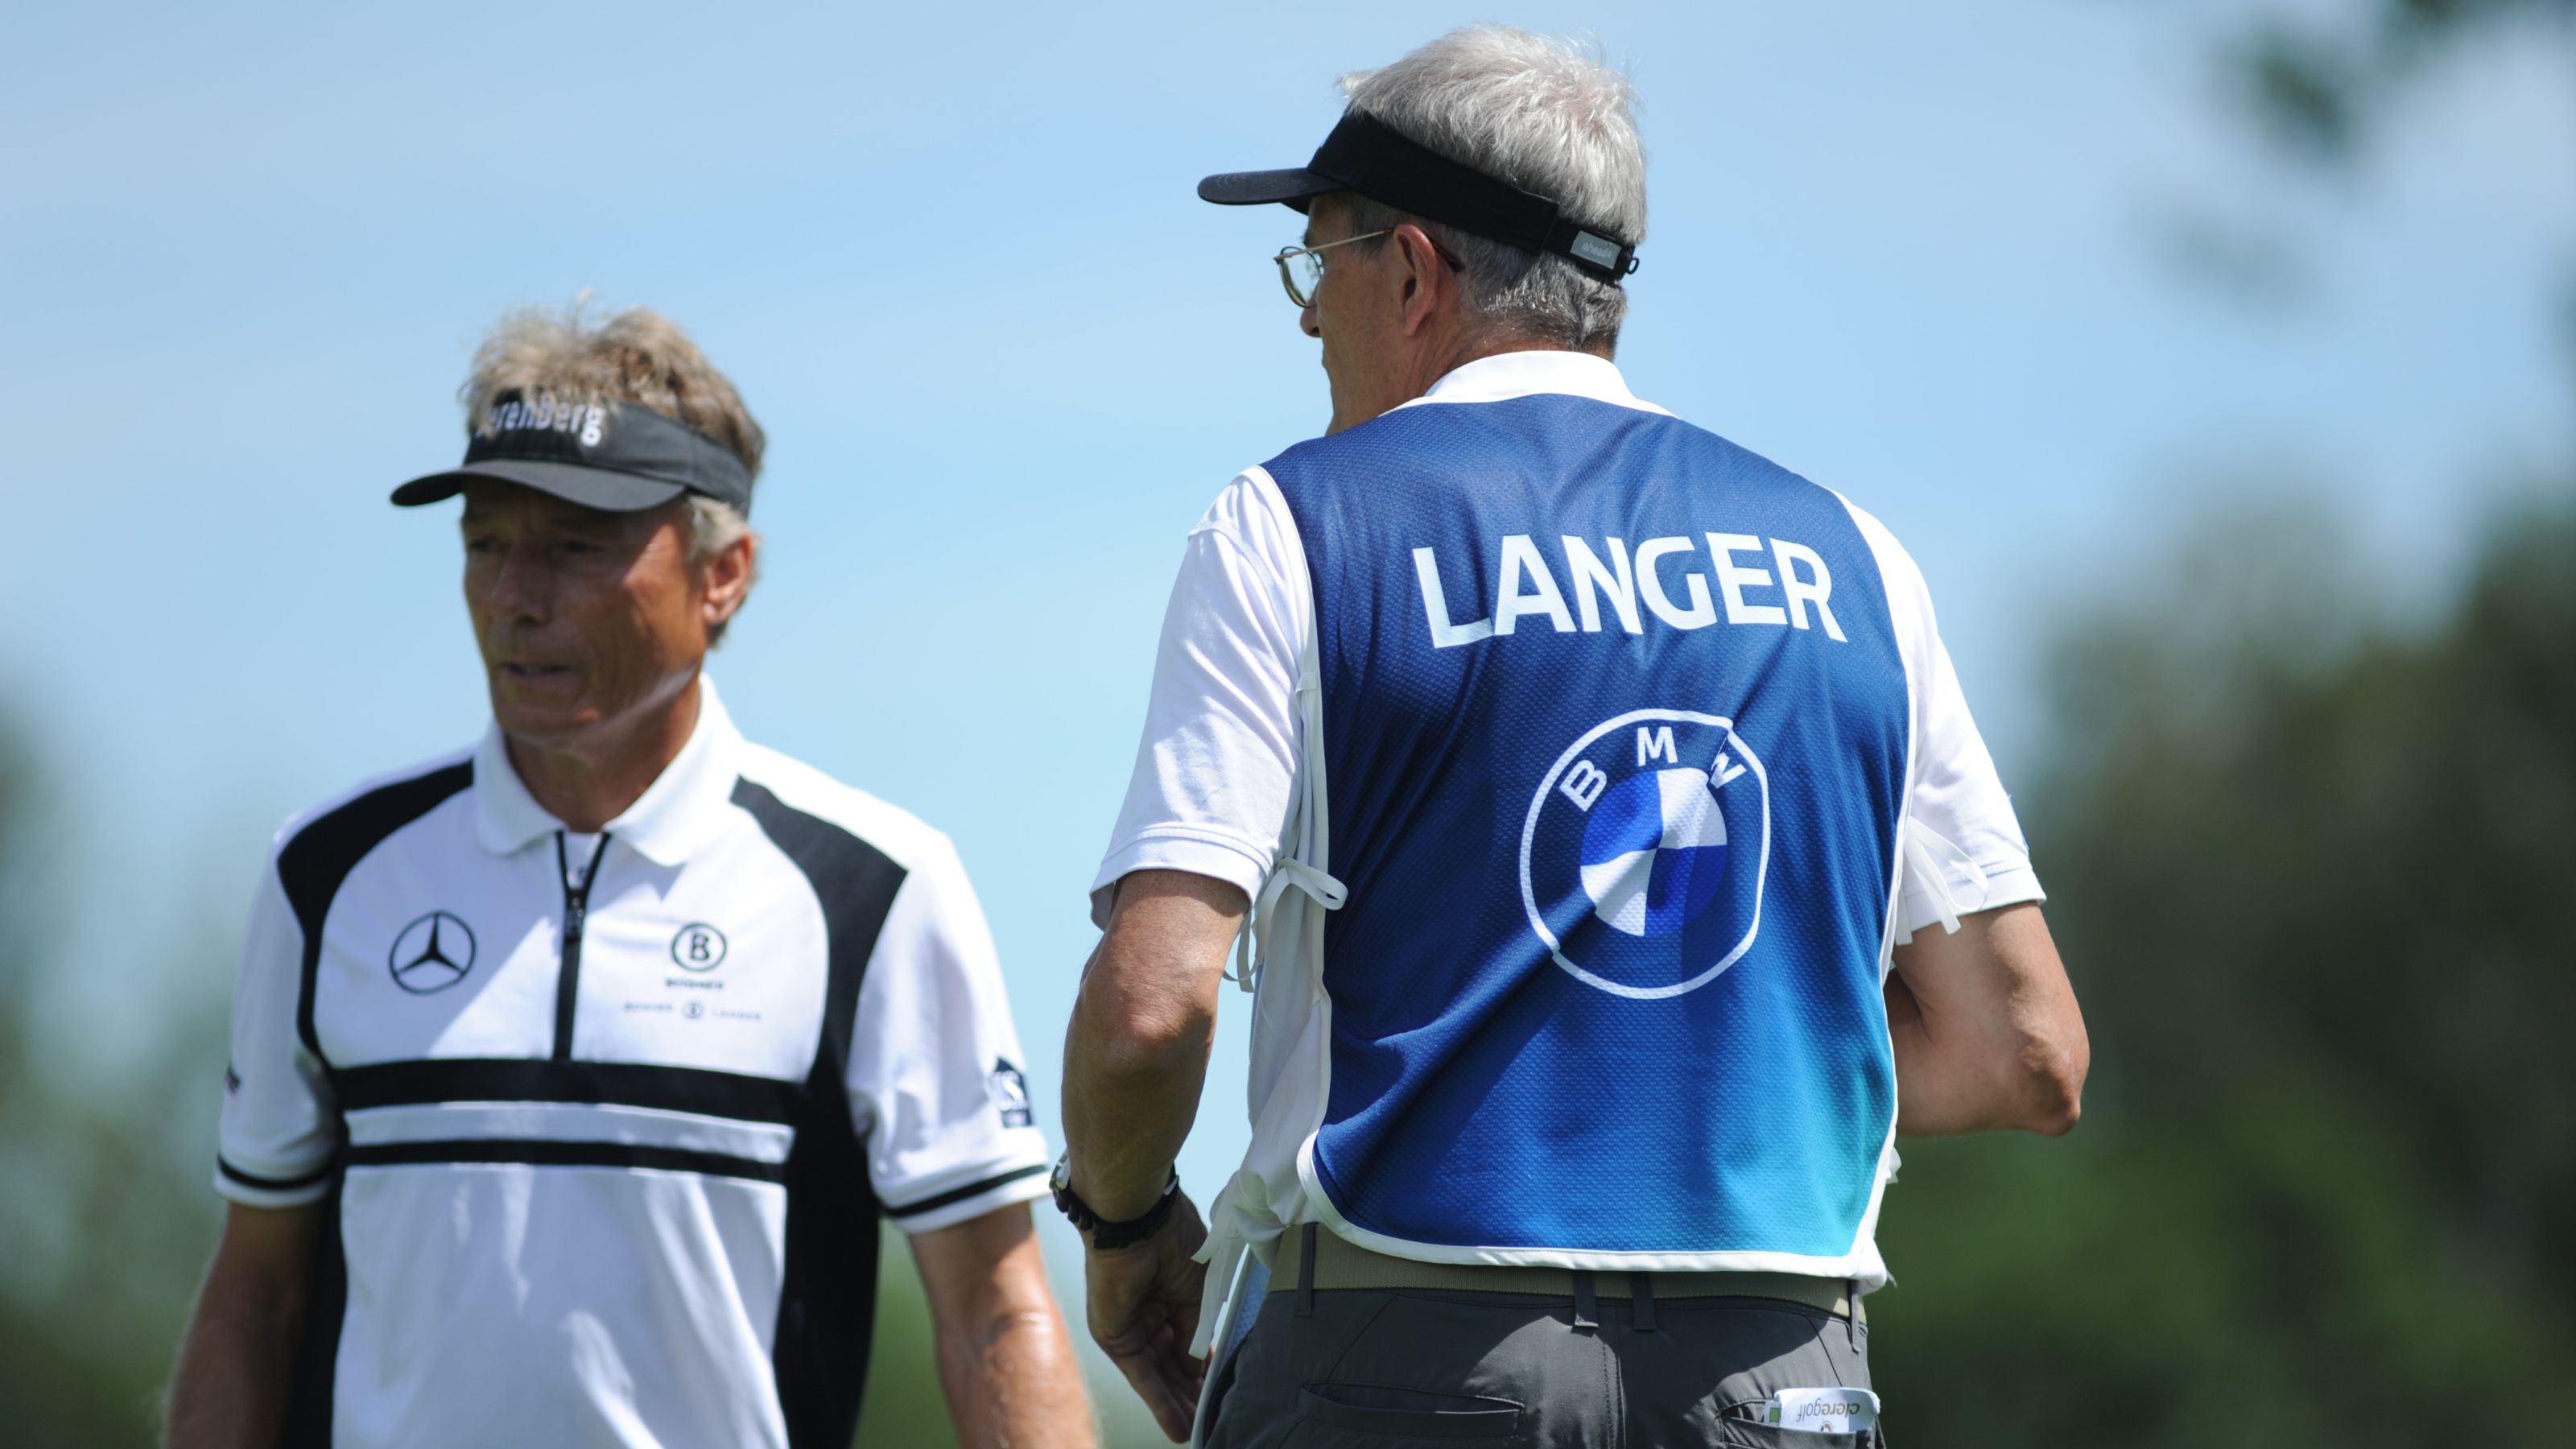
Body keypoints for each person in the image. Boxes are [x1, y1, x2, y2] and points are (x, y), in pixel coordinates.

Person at [1056, 27, 2090, 1447]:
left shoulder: (1295, 524)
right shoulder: (1854, 556)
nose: (1308, 318)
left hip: (1398, 1357)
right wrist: (1686, 1054)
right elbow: (2024, 1049)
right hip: (1781, 1379)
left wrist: (1116, 1227)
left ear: (1413, 272)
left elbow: (1152, 1002)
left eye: (1322, 262)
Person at [166, 305, 1093, 1449]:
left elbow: (994, 1312)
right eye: (485, 541)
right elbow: (255, 1298)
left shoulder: (876, 887)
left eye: (574, 545)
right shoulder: (328, 872)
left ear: (724, 575)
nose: (515, 594)